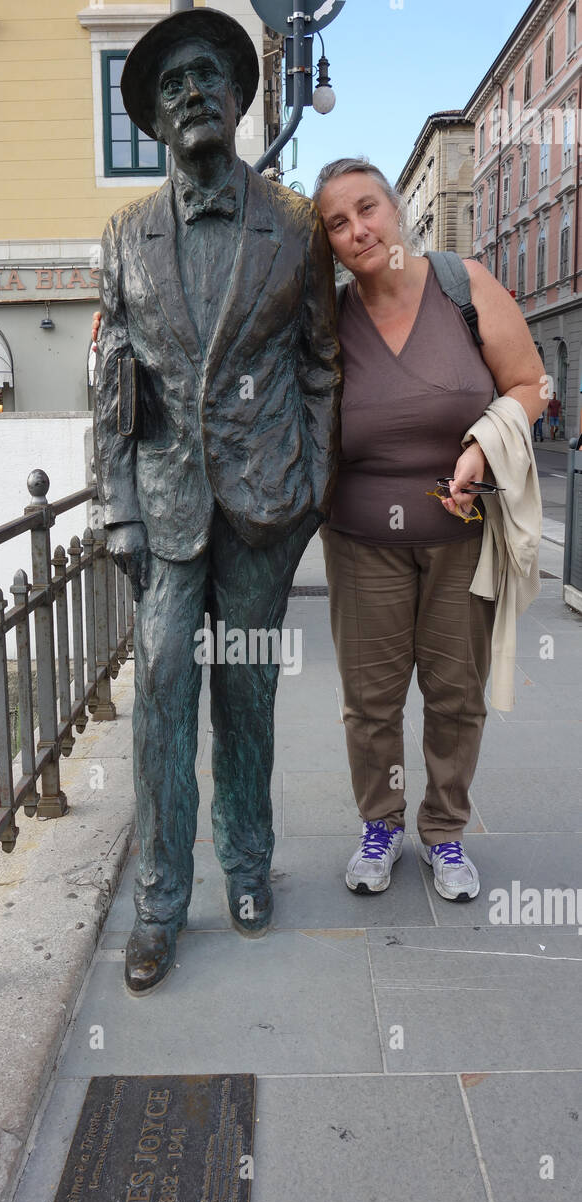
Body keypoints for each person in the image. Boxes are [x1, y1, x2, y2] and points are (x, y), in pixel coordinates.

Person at [93, 9, 341, 993]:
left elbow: (322, 361)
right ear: (153, 119)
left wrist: (313, 481)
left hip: (263, 510)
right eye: (171, 84)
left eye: (209, 76)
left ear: (239, 99)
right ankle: (159, 897)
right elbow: (108, 380)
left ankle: (247, 867)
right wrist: (116, 504)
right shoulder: (123, 236)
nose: (192, 91)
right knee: (160, 700)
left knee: (246, 696)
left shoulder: (295, 226)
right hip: (162, 510)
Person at [313, 158, 543, 902]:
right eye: (337, 224)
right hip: (359, 542)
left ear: (395, 207)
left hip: (460, 539)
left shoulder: (463, 284)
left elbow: (529, 385)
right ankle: (379, 825)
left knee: (454, 695)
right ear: (328, 243)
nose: (358, 231)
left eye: (367, 208)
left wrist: (480, 449)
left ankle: (443, 833)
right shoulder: (328, 316)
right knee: (371, 700)